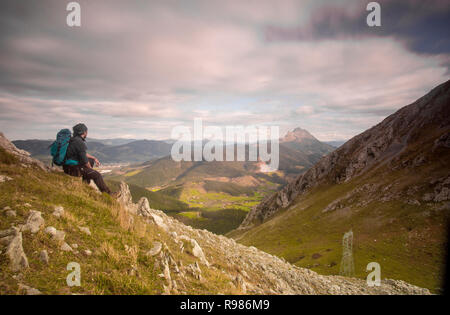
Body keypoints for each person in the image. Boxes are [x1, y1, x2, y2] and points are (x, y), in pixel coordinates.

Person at [63, 123, 113, 194]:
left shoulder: (74, 140)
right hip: (73, 169)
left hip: (68, 167)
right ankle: (109, 194)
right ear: (84, 132)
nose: (87, 133)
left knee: (91, 160)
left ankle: (85, 183)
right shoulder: (79, 142)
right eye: (86, 131)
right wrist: (91, 170)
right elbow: (85, 161)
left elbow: (83, 154)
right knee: (97, 175)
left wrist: (94, 158)